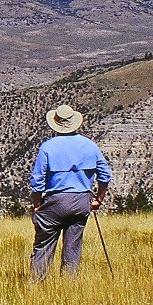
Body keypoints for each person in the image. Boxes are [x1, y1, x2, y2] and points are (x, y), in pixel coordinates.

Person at [29, 104, 111, 281]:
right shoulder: (89, 145)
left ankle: (36, 288)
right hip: (82, 201)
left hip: (55, 201)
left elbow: (37, 180)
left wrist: (37, 205)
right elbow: (105, 174)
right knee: (73, 249)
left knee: (43, 246)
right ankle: (68, 289)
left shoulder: (48, 147)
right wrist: (99, 198)